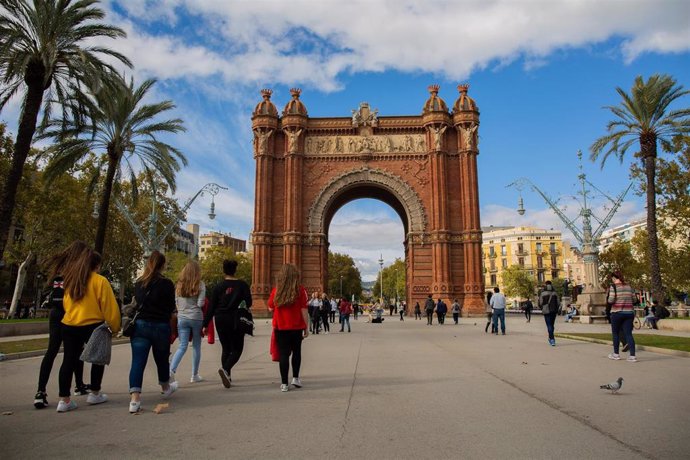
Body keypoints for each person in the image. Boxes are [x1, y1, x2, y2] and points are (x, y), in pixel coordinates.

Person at [55, 241, 120, 413]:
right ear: (96, 265)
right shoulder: (100, 281)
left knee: (68, 360)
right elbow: (109, 306)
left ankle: (64, 399)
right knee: (98, 358)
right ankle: (95, 392)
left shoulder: (71, 280)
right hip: (93, 324)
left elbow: (66, 304)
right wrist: (114, 326)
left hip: (69, 324)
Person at [33, 248, 91, 409]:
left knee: (52, 351)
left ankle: (40, 391)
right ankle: (78, 385)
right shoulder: (75, 273)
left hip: (55, 314)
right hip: (70, 314)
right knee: (74, 351)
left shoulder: (58, 272)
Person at [129, 251, 177, 414]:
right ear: (163, 265)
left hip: (141, 325)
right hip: (161, 326)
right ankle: (165, 387)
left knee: (138, 362)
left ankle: (134, 400)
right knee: (162, 359)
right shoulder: (167, 284)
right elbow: (171, 308)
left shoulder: (139, 282)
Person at [203, 259, 252, 388]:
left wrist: (205, 324)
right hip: (236, 318)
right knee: (237, 349)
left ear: (223, 270)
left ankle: (227, 376)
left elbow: (211, 307)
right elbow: (249, 302)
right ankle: (226, 369)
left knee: (226, 348)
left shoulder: (218, 286)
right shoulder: (242, 285)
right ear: (235, 270)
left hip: (220, 319)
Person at [267, 264, 310, 392]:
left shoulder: (276, 290)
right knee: (297, 353)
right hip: (296, 327)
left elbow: (270, 307)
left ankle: (284, 383)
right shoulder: (300, 290)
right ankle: (295, 378)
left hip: (281, 327)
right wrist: (306, 327)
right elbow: (304, 310)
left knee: (284, 355)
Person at [170, 261, 206, 384]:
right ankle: (194, 375)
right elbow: (201, 303)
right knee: (196, 346)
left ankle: (171, 370)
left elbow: (176, 302)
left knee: (182, 346)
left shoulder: (179, 285)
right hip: (196, 317)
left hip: (182, 317)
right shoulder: (200, 285)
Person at [606, 271, 637, 362]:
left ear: (614, 278)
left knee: (615, 333)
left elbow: (611, 300)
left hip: (617, 312)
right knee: (629, 334)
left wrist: (610, 298)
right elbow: (634, 299)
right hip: (629, 313)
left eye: (612, 278)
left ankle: (616, 354)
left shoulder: (614, 286)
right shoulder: (629, 286)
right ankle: (632, 356)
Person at [539, 281, 560, 346]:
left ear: (546, 285)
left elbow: (540, 303)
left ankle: (552, 339)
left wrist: (542, 308)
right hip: (553, 311)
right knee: (552, 324)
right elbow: (558, 303)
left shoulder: (542, 293)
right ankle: (551, 337)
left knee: (549, 325)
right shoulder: (555, 293)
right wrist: (556, 308)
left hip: (546, 311)